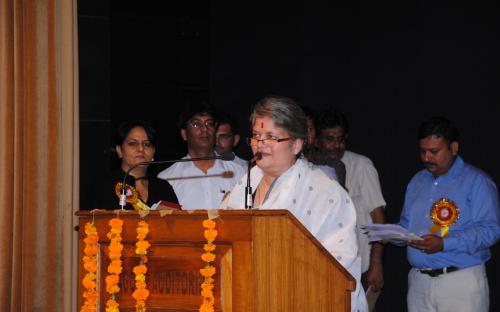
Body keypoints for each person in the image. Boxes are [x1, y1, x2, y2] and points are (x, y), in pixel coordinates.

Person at [220, 95, 368, 312]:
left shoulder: (326, 193)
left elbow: (338, 269)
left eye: (271, 136)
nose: (260, 144)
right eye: (256, 136)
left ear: (297, 144)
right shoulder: (243, 184)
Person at [399, 116, 500, 312]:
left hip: (460, 281)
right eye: (423, 151)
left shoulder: (477, 181)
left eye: (434, 151)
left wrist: (445, 243)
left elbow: (490, 230)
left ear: (453, 148)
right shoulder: (417, 181)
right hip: (419, 282)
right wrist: (393, 234)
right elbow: (406, 223)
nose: (426, 158)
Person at [316, 108, 386, 307]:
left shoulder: (361, 165)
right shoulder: (309, 168)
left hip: (360, 269)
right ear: (316, 139)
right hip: (322, 270)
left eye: (340, 139)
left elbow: (378, 217)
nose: (336, 145)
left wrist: (376, 263)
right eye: (330, 139)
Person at [157, 102, 245, 209]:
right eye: (196, 124)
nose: (204, 129)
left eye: (210, 123)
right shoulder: (167, 179)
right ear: (184, 134)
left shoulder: (239, 173)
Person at [90, 120, 178, 210]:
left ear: (153, 152)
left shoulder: (163, 188)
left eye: (147, 144)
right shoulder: (104, 186)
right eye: (132, 143)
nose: (140, 148)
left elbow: (179, 221)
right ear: (119, 150)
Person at [300, 105, 346, 188]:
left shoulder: (332, 166)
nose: (305, 135)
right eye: (299, 129)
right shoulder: (278, 163)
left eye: (310, 129)